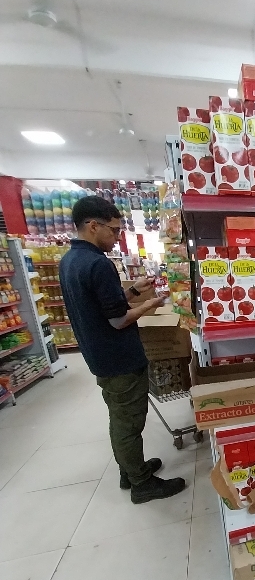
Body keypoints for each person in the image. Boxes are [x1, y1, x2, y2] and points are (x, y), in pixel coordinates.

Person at [59, 196, 186, 504]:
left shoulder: (70, 260)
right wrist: (150, 303)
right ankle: (141, 484)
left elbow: (103, 306)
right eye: (114, 230)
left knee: (119, 416)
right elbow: (118, 320)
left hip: (99, 355)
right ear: (93, 226)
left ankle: (130, 471)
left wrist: (133, 291)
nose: (116, 237)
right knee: (128, 422)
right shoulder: (98, 264)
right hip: (118, 357)